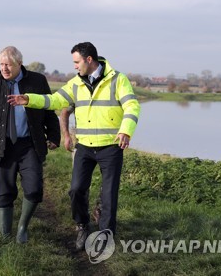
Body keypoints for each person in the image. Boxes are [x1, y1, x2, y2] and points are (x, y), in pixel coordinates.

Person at [8, 42, 140, 250]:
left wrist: (125, 130)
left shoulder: (118, 80)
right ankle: (82, 226)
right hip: (85, 147)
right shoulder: (75, 84)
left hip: (111, 147)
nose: (75, 66)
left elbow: (132, 106)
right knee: (76, 189)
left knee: (109, 195)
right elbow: (55, 101)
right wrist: (28, 99)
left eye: (77, 62)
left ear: (89, 60)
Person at [0, 46, 61, 243]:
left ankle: (22, 228)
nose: (4, 68)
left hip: (29, 145)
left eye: (8, 64)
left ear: (19, 64)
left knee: (33, 189)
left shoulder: (37, 81)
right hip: (1, 147)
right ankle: (5, 236)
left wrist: (53, 135)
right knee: (5, 192)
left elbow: (48, 108)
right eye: (1, 64)